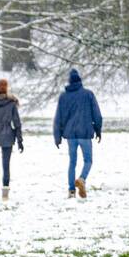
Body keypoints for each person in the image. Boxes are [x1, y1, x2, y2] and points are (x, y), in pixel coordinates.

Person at [53, 68, 101, 198]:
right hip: (85, 133)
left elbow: (58, 118)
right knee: (88, 160)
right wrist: (98, 130)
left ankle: (71, 190)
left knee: (72, 162)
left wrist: (57, 137)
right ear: (80, 81)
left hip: (70, 135)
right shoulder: (88, 94)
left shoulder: (63, 97)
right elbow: (97, 114)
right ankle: (82, 179)